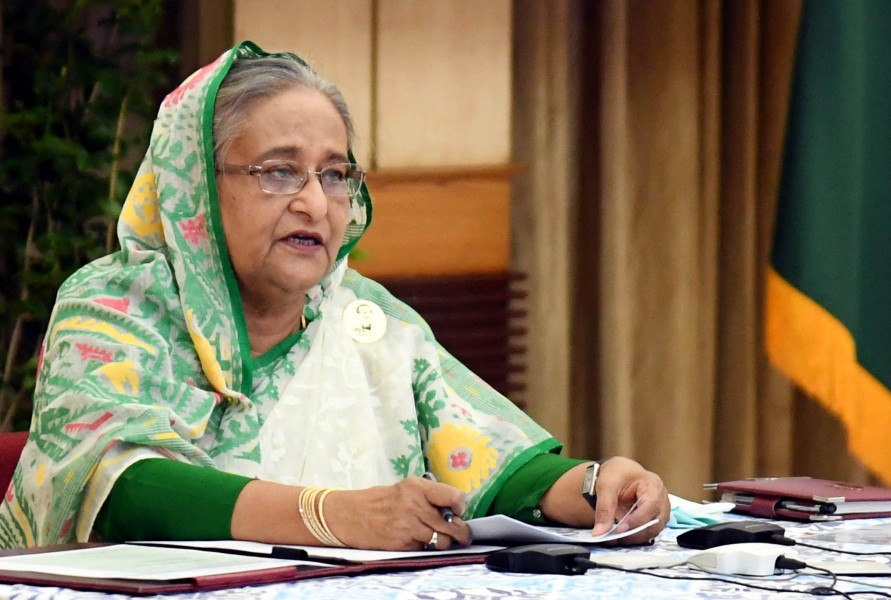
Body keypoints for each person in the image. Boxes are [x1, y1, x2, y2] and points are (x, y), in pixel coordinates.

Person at [0, 42, 669, 551]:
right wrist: (334, 515)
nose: (316, 203)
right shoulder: (112, 307)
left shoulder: (366, 320)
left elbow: (486, 460)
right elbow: (121, 488)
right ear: (196, 186)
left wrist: (599, 486)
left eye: (335, 174)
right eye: (279, 171)